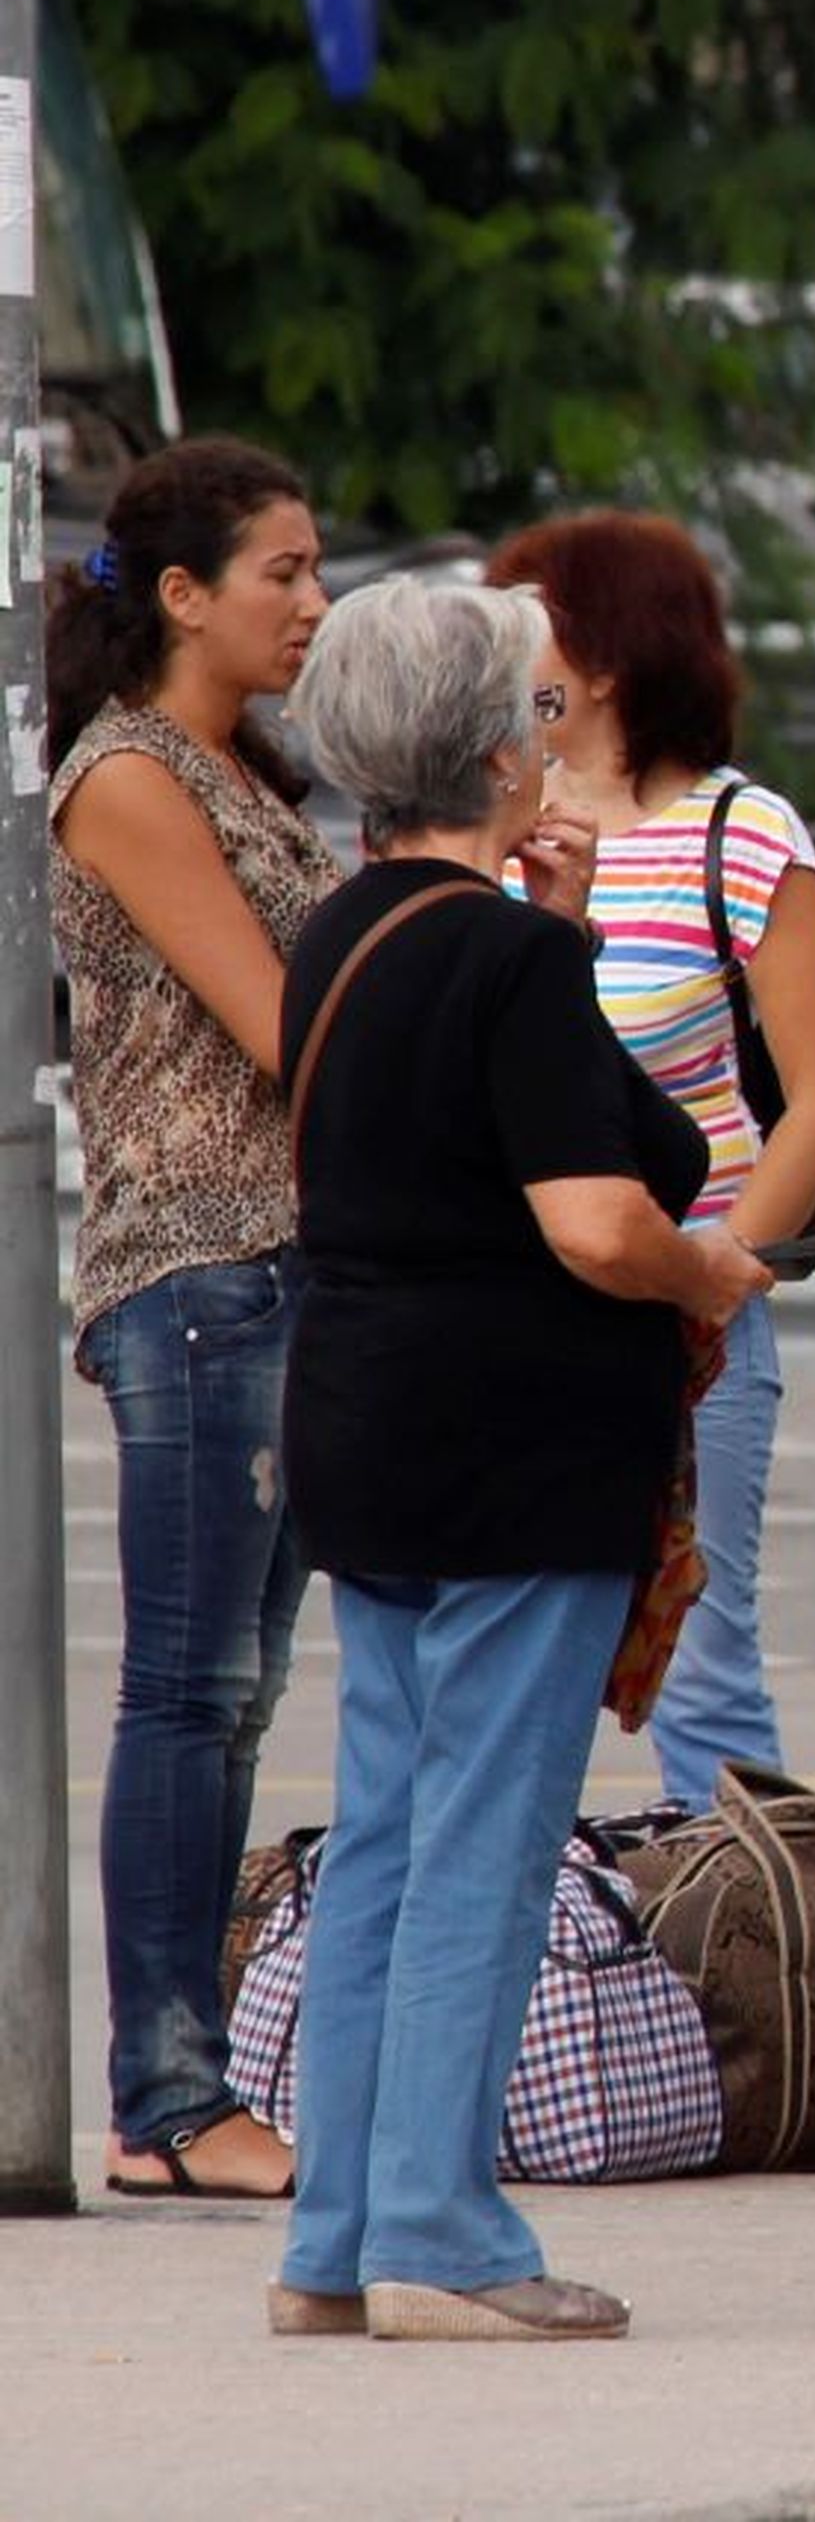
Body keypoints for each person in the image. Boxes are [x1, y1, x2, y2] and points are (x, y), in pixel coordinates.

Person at [269, 579, 771, 2341]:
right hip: (512, 1444)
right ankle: (443, 2232)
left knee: (391, 1837)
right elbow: (610, 1214)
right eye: (544, 711)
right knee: (485, 1835)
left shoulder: (350, 933)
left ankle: (338, 2232)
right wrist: (709, 1272)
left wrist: (552, 921)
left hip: (364, 1428)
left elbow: (590, 1118)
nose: (560, 734)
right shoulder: (511, 959)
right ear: (498, 747)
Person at [50, 439, 340, 2203]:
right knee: (189, 1687)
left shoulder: (248, 768)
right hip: (197, 1278)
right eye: (283, 573)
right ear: (181, 595)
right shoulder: (129, 778)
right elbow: (288, 1026)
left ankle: (187, 2083)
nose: (313, 604)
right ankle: (164, 2091)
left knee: (237, 1696)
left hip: (290, 1266)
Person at [482, 513, 815, 1810]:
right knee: (517, 1655)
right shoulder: (485, 818)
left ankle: (746, 1969)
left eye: (533, 620)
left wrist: (727, 1266)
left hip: (686, 1306)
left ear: (604, 656)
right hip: (519, 1306)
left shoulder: (738, 831)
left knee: (702, 1661)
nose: (509, 646)